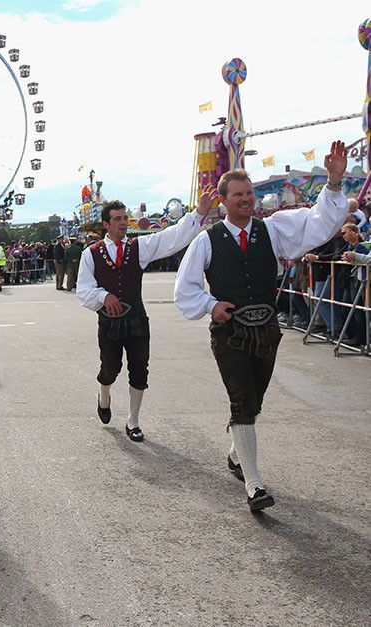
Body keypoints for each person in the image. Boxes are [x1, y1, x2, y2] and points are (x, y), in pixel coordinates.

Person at [174, 142, 349, 512]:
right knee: (242, 401)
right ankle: (254, 485)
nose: (246, 199)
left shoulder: (273, 230)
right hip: (230, 335)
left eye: (249, 193)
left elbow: (319, 224)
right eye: (238, 194)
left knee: (254, 403)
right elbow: (185, 287)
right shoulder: (207, 240)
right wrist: (210, 305)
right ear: (223, 200)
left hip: (267, 332)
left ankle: (236, 453)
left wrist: (333, 181)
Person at [77, 194, 211, 442]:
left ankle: (133, 421)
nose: (123, 223)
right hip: (109, 321)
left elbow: (169, 238)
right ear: (106, 224)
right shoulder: (91, 253)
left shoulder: (139, 247)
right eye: (117, 219)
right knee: (110, 368)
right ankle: (104, 393)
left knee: (140, 368)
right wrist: (104, 296)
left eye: (125, 218)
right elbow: (83, 289)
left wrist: (197, 214)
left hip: (137, 317)